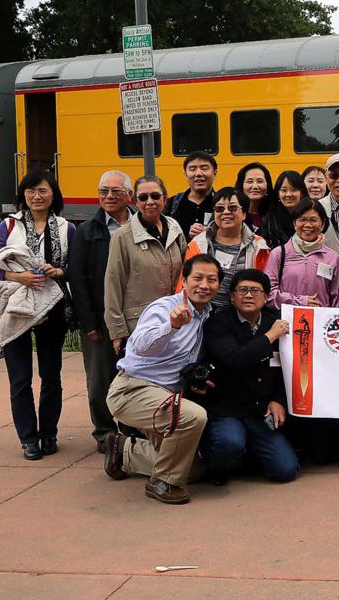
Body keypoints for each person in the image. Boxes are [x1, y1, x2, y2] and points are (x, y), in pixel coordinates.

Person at [104, 255, 220, 504]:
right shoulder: (164, 308)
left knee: (194, 470)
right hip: (132, 390)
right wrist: (171, 326)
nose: (204, 285)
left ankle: (125, 451)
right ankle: (163, 483)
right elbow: (140, 345)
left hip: (165, 397)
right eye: (197, 278)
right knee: (193, 416)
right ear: (184, 281)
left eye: (212, 280)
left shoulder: (208, 315)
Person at [0, 170, 76, 461]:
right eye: (31, 191)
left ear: (53, 195)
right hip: (15, 309)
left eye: (43, 191)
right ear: (23, 194)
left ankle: (49, 433)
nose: (37, 196)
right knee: (20, 378)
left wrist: (59, 271)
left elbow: (75, 266)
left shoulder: (66, 227)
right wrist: (18, 276)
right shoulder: (8, 226)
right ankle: (28, 438)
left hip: (51, 308)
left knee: (51, 375)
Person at [200, 269, 298, 485]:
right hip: (227, 410)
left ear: (266, 296)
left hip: (260, 412)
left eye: (255, 290)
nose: (248, 295)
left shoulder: (276, 320)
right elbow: (236, 358)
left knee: (286, 470)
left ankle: (248, 455)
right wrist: (271, 335)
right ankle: (210, 464)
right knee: (230, 442)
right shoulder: (218, 323)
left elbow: (290, 368)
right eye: (242, 290)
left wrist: (279, 399)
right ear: (232, 296)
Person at [68, 171, 133, 453]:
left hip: (135, 317)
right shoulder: (87, 231)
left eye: (116, 192)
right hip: (99, 318)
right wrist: (88, 322)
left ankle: (133, 430)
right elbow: (77, 279)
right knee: (99, 381)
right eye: (103, 191)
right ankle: (105, 432)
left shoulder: (142, 225)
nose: (108, 197)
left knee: (136, 377)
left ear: (129, 195)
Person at [104, 175, 187, 355]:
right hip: (140, 324)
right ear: (135, 201)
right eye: (143, 197)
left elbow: (185, 274)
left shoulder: (175, 228)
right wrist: (117, 331)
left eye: (155, 196)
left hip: (175, 319)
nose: (150, 201)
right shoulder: (122, 236)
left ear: (165, 198)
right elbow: (113, 285)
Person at [181, 187, 271, 311]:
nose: (226, 212)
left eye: (233, 208)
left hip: (242, 316)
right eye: (219, 209)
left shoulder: (259, 246)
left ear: (244, 214)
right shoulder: (198, 243)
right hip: (202, 314)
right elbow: (184, 282)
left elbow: (263, 286)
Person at [266, 198, 339, 308]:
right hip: (287, 322)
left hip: (321, 322)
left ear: (322, 224)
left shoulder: (332, 257)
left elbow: (337, 297)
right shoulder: (278, 254)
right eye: (302, 219)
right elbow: (268, 293)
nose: (308, 225)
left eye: (313, 220)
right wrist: (299, 301)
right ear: (294, 223)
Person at [166, 151, 218, 239]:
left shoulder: (221, 204)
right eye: (192, 169)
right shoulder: (173, 203)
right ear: (186, 175)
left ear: (215, 173)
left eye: (204, 168)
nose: (198, 174)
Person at [259, 170, 307, 248]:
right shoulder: (268, 219)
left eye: (294, 189)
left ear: (301, 193)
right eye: (284, 190)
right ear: (278, 194)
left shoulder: (310, 214)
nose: (288, 194)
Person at [235, 162, 272, 231]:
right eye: (249, 181)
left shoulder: (274, 214)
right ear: (241, 185)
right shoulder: (233, 212)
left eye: (260, 181)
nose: (255, 186)